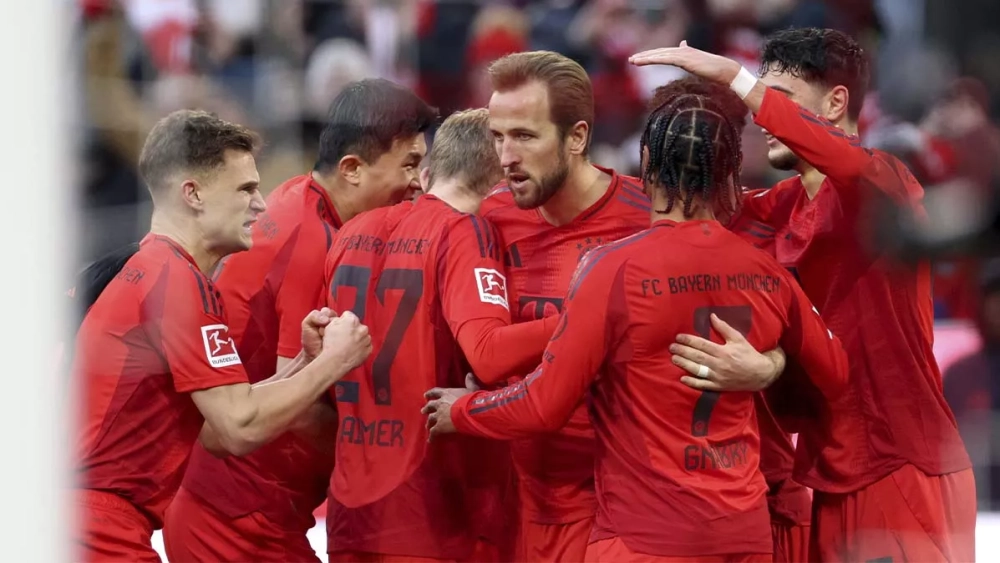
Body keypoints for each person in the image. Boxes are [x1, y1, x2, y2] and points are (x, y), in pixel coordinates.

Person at [422, 92, 849, 562]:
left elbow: (544, 405)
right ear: (730, 171)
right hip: (742, 534)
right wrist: (770, 364)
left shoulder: (612, 269)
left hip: (643, 536)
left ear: (644, 163)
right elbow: (835, 371)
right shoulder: (766, 272)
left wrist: (465, 409)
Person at [631, 29, 976, 562]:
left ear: (836, 102)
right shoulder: (772, 209)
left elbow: (852, 167)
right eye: (761, 101)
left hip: (902, 464)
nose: (761, 115)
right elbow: (675, 206)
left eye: (780, 99)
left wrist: (736, 77)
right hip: (828, 468)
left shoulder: (886, 185)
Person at [478, 50, 786, 562]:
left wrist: (767, 366)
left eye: (524, 136)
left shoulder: (663, 210)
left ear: (577, 137)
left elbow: (779, 307)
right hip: (522, 508)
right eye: (497, 136)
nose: (506, 156)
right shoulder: (490, 218)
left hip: (628, 516)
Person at [73, 110, 373, 562]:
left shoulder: (158, 270)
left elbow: (218, 423)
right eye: (246, 189)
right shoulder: (174, 282)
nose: (260, 205)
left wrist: (304, 364)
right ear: (192, 194)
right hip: (98, 530)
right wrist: (337, 360)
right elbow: (238, 427)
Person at [163, 79, 437, 563]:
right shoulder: (314, 243)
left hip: (249, 509)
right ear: (351, 169)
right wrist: (398, 442)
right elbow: (301, 405)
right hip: (236, 521)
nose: (419, 182)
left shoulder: (304, 202)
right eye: (410, 165)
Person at [322, 108, 559, 562]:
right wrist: (580, 316)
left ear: (429, 172)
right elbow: (488, 354)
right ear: (498, 184)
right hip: (435, 514)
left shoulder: (352, 231)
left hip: (351, 509)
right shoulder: (466, 231)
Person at [648, 77, 813, 563]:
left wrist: (768, 366)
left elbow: (825, 350)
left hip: (768, 487)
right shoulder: (630, 226)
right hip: (661, 502)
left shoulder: (779, 215)